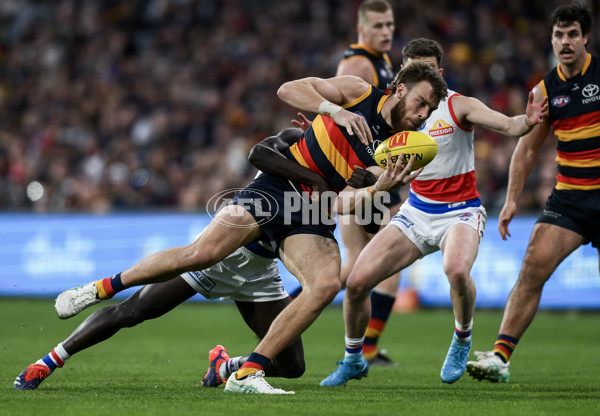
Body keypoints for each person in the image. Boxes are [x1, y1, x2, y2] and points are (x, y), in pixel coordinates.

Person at [53, 62, 448, 394]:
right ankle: (99, 289)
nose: (423, 113)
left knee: (326, 284)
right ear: (399, 90)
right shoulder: (357, 92)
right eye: (420, 102)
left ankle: (247, 371)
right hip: (276, 189)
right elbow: (288, 90)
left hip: (309, 215)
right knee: (200, 254)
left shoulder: (400, 148)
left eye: (430, 109)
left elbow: (341, 206)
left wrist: (379, 188)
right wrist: (333, 110)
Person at [15, 128, 378, 391]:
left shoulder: (351, 176)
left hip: (262, 269)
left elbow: (371, 221)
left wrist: (372, 189)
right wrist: (318, 182)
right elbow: (258, 155)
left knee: (293, 367)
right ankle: (45, 363)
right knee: (133, 312)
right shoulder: (295, 141)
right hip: (228, 250)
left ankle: (226, 366)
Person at [320, 38, 548, 387]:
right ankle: (354, 358)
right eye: (413, 68)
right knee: (356, 283)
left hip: (460, 212)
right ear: (401, 72)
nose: (420, 75)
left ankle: (462, 338)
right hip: (415, 212)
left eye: (427, 69)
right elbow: (380, 165)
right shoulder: (392, 113)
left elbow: (507, 125)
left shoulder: (459, 106)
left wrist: (525, 121)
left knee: (456, 271)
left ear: (440, 73)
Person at [466, 4, 600, 383]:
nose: (565, 42)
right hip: (570, 200)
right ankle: (500, 357)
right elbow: (526, 150)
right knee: (530, 270)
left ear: (585, 36)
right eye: (559, 35)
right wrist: (510, 201)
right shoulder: (544, 91)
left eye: (573, 34)